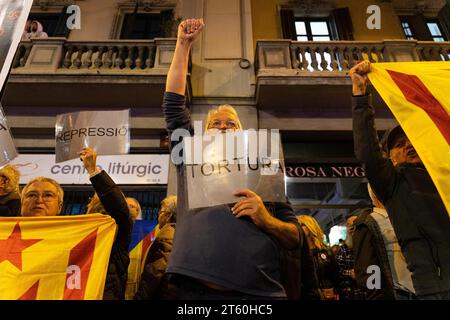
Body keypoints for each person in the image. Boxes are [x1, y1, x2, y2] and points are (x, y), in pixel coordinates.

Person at [163, 19, 301, 299]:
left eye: (231, 124)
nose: (224, 127)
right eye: (216, 124)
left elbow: (295, 238)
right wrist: (183, 45)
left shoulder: (265, 169)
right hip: (196, 292)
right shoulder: (190, 157)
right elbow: (174, 106)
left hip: (260, 294)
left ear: (243, 134)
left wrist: (266, 219)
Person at [350, 60, 450, 299]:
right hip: (435, 288)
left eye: (412, 140)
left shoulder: (442, 174)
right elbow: (367, 151)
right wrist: (361, 96)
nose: (408, 146)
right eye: (398, 145)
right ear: (389, 157)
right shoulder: (392, 183)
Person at [20, 147, 132, 300]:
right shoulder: (5, 235)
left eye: (48, 195)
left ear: (60, 206)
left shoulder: (81, 234)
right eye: (31, 195)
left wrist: (93, 170)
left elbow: (121, 216)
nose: (39, 200)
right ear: (21, 203)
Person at [81, 147, 132, 300]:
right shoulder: (80, 229)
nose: (104, 209)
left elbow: (118, 208)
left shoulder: (120, 230)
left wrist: (93, 170)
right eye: (98, 205)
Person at [353, 184, 415, 300]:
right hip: (400, 294)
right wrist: (377, 296)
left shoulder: (408, 216)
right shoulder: (368, 223)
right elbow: (368, 268)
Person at [135, 195, 177, 300]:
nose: (159, 215)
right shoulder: (181, 233)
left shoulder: (167, 236)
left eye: (161, 212)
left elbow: (154, 274)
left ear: (168, 215)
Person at [298, 215, 340, 300]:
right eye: (297, 225)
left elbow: (336, 275)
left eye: (302, 225)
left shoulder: (326, 251)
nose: (299, 228)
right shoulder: (297, 254)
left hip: (330, 296)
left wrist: (336, 291)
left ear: (310, 227)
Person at [335, 215, 365, 300]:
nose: (352, 231)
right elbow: (337, 270)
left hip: (369, 290)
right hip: (352, 292)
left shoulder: (367, 245)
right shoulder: (344, 249)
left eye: (354, 228)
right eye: (350, 228)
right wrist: (351, 273)